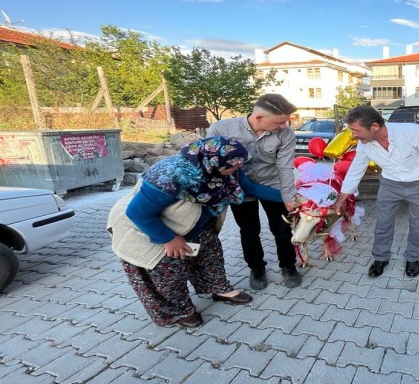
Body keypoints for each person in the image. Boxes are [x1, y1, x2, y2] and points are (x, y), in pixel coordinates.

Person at [109, 137, 283, 328]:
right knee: (168, 274)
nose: (238, 168)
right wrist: (169, 239)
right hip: (147, 229)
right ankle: (178, 312)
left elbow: (251, 188)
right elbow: (137, 213)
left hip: (192, 224)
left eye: (240, 164)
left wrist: (288, 198)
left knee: (211, 256)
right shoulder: (171, 176)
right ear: (213, 161)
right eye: (235, 165)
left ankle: (219, 290)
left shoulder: (224, 166)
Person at [335, 105, 419, 278]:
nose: (353, 135)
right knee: (383, 223)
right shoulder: (364, 144)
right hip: (390, 185)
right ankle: (381, 258)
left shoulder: (412, 132)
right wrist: (342, 198)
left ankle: (412, 258)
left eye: (356, 130)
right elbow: (356, 168)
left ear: (374, 126)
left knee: (418, 225)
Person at [206, 94, 302, 289]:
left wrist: (288, 197)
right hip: (239, 188)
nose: (284, 126)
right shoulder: (221, 129)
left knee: (282, 229)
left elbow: (285, 168)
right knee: (249, 231)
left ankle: (288, 266)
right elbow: (209, 163)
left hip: (272, 184)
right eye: (279, 122)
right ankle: (257, 268)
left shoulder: (285, 134)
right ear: (259, 118)